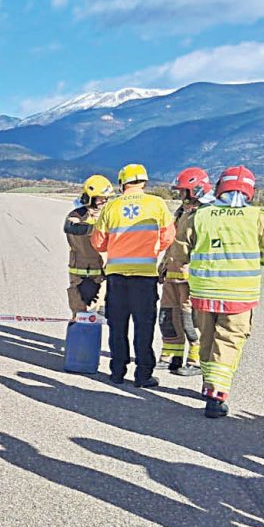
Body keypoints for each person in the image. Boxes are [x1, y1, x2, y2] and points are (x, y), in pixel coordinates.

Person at [179, 165, 264, 418]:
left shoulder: (201, 215)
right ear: (251, 192)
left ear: (219, 188)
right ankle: (217, 395)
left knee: (207, 338)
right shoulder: (257, 218)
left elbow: (180, 251)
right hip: (239, 296)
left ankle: (208, 384)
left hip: (204, 292)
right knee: (228, 340)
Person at [91, 164, 175, 388]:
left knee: (117, 326)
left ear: (122, 183)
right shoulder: (156, 203)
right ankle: (143, 375)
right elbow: (169, 236)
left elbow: (98, 243)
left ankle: (117, 371)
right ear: (144, 182)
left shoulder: (112, 206)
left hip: (116, 277)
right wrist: (151, 249)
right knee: (143, 326)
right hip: (145, 277)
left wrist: (117, 246)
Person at [157, 167, 214, 377]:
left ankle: (196, 359)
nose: (181, 196)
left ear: (196, 190)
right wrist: (163, 266)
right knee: (167, 316)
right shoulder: (182, 212)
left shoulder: (206, 214)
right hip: (172, 274)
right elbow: (173, 243)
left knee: (191, 319)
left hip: (190, 277)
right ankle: (172, 355)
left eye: (184, 191)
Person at [63, 175, 112, 319]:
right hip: (81, 272)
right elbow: (71, 227)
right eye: (100, 197)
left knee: (96, 313)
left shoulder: (107, 214)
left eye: (106, 198)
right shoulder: (78, 214)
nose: (104, 201)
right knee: (80, 311)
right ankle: (77, 339)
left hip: (101, 271)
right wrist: (96, 228)